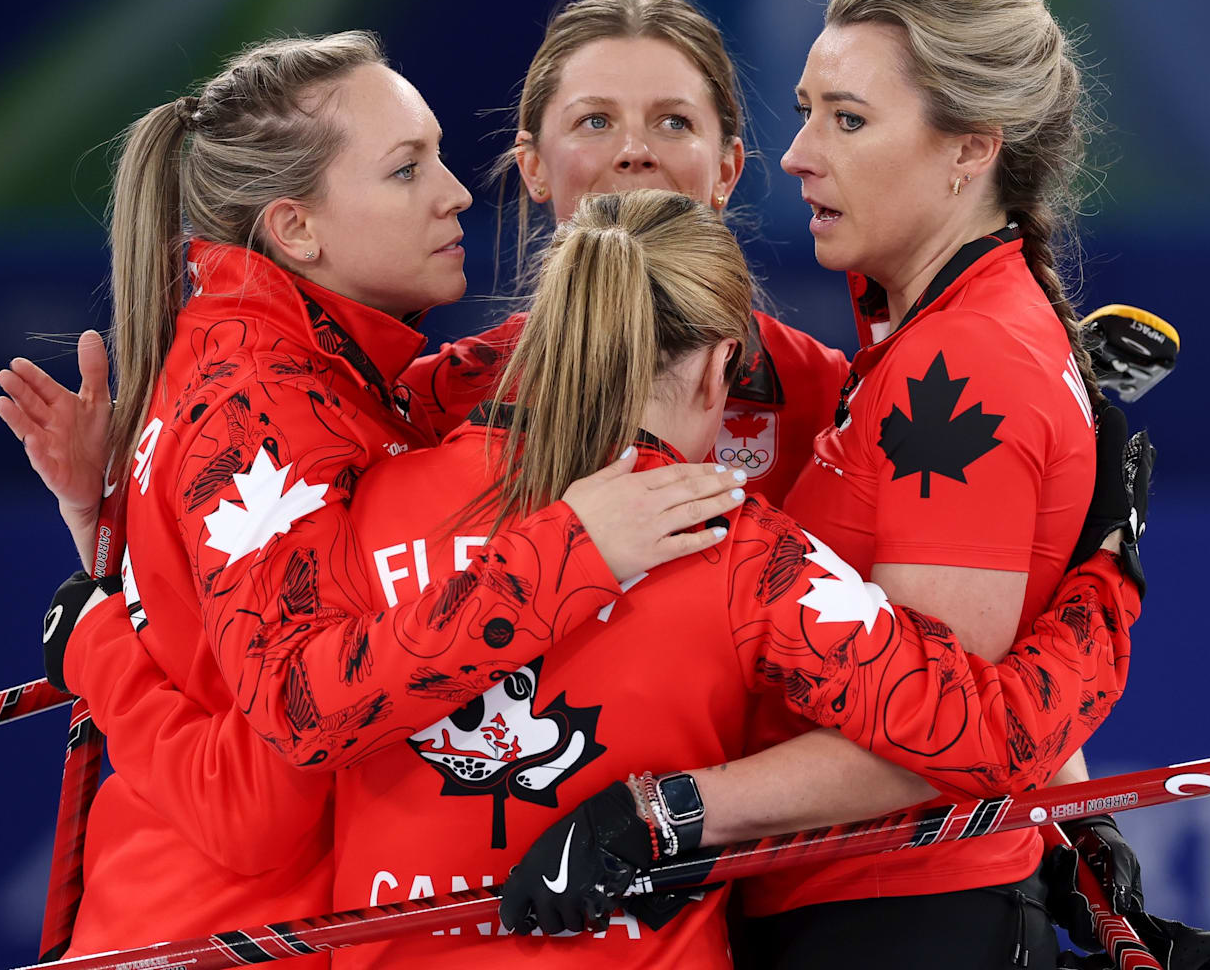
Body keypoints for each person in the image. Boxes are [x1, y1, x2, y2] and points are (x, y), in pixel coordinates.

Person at [0, 31, 746, 957]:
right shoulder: (259, 405)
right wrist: (569, 554)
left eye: (438, 155)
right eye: (405, 170)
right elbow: (271, 771)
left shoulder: (312, 369)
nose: (455, 193)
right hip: (212, 935)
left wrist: (97, 537)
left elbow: (204, 635)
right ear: (295, 229)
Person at [331, 189, 1140, 969]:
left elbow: (298, 722)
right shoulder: (738, 547)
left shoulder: (371, 497)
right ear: (723, 364)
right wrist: (1106, 570)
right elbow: (988, 736)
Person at [737, 0, 1125, 966]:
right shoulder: (949, 331)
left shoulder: (961, 361)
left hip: (889, 920)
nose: (798, 153)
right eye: (806, 110)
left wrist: (672, 809)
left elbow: (932, 736)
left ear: (970, 149)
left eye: (849, 119)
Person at [404, 0, 851, 509]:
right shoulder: (433, 402)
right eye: (595, 121)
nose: (635, 150)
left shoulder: (828, 394)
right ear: (534, 166)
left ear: (727, 170)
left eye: (674, 122)